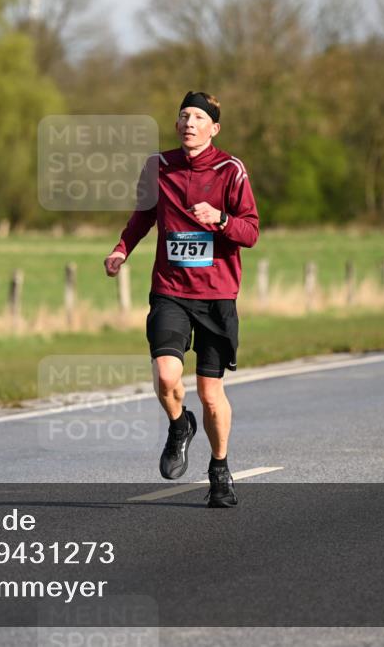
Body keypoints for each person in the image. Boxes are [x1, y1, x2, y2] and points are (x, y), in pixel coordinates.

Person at [103, 91, 259, 508]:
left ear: (214, 128)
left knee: (210, 395)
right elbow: (143, 216)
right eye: (183, 116)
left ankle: (220, 468)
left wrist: (221, 220)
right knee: (167, 375)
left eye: (198, 117)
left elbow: (251, 232)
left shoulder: (231, 170)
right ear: (176, 125)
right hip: (170, 290)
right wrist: (121, 249)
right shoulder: (158, 166)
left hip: (216, 295)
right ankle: (178, 426)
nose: (189, 122)